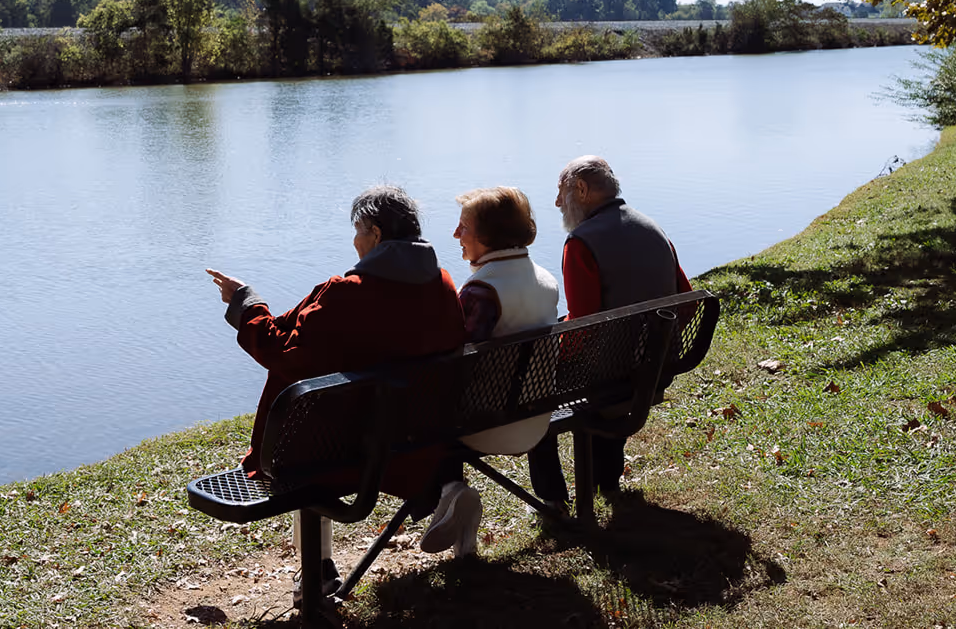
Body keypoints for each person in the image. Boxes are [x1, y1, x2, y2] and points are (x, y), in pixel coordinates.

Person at [207, 184, 465, 593]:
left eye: (358, 230)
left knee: (313, 424)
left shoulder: (349, 292)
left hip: (348, 447)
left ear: (377, 235)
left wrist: (245, 303)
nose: (354, 240)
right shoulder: (444, 284)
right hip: (419, 438)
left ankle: (319, 573)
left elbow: (280, 350)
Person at [526, 155, 693, 508]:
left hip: (609, 378)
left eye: (560, 192)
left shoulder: (581, 242)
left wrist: (550, 356)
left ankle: (552, 499)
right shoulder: (652, 228)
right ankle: (607, 480)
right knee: (613, 363)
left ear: (581, 190)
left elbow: (583, 327)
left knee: (533, 389)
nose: (557, 203)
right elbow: (688, 302)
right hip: (656, 369)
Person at [419, 186, 560, 556]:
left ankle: (452, 491)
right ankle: (555, 501)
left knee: (425, 404)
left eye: (462, 227)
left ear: (488, 235)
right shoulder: (546, 279)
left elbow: (454, 368)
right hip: (537, 417)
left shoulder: (482, 290)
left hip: (488, 424)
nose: (455, 235)